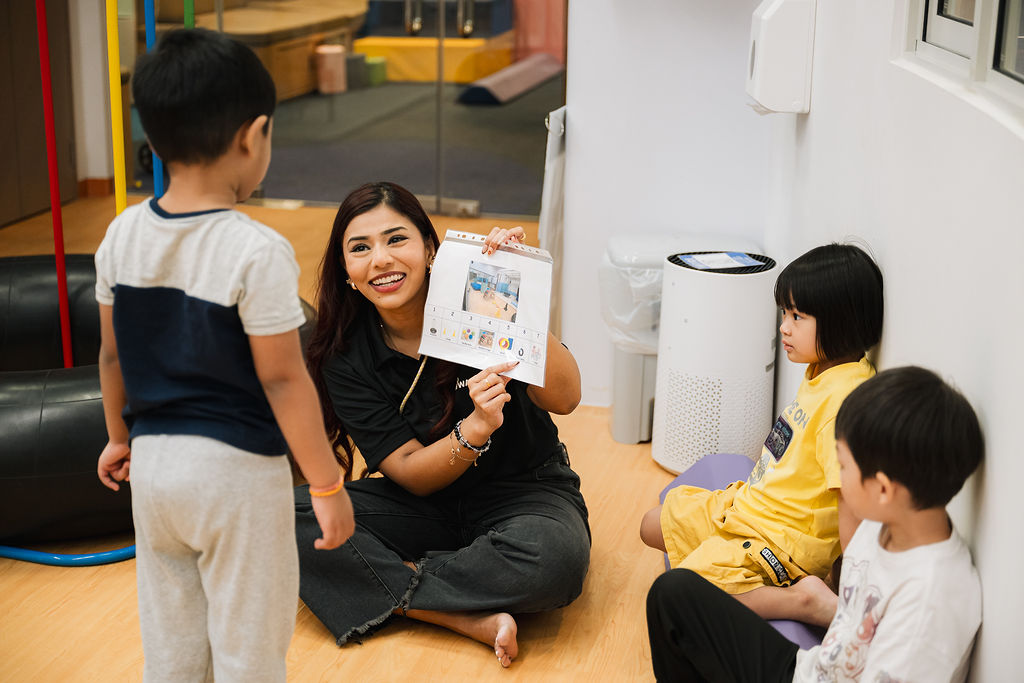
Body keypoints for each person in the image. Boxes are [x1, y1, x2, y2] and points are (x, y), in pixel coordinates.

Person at [94, 28, 354, 682]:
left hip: (154, 471)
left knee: (174, 649)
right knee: (249, 651)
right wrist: (326, 484)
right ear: (253, 135)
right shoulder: (254, 248)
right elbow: (283, 376)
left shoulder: (121, 234)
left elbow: (110, 357)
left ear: (154, 137)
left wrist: (118, 435)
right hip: (236, 478)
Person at [296, 181, 591, 668]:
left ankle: (395, 584)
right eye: (360, 248)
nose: (381, 260)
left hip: (524, 490)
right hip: (419, 505)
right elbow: (409, 471)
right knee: (286, 513)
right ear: (347, 272)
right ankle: (457, 614)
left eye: (396, 239)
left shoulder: (480, 295)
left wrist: (517, 287)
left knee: (553, 559)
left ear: (431, 249)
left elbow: (567, 398)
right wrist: (475, 427)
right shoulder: (344, 356)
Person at [646, 366, 984, 682]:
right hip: (811, 670)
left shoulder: (930, 601)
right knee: (672, 593)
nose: (836, 478)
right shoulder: (882, 526)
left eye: (842, 465)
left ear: (882, 488)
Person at [640, 244, 884, 625]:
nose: (784, 326)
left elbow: (850, 504)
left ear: (841, 321)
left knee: (687, 590)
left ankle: (802, 600)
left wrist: (845, 583)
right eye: (785, 313)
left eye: (797, 317)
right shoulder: (822, 368)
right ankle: (728, 563)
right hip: (750, 508)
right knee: (651, 524)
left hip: (782, 543)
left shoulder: (846, 403)